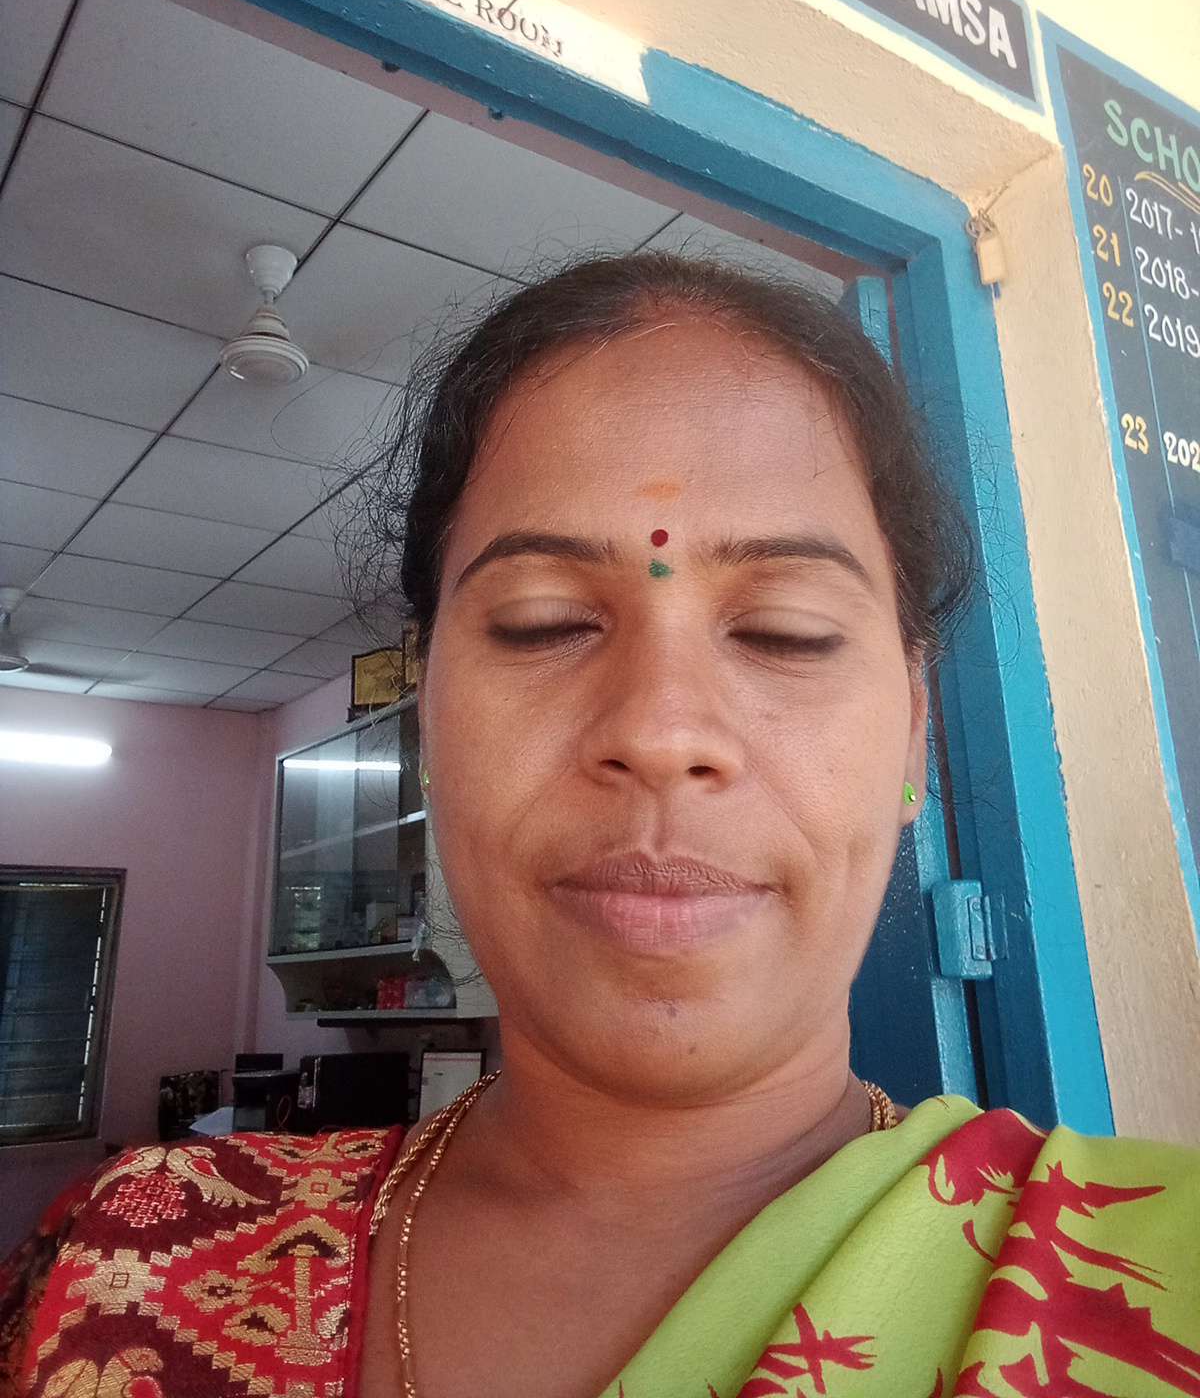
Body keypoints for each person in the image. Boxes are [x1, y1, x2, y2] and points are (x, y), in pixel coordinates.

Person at [2, 254, 1197, 1398]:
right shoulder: (127, 1263)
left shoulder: (1156, 1283)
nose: (662, 729)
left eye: (783, 630)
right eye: (543, 622)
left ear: (914, 734)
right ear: (429, 717)